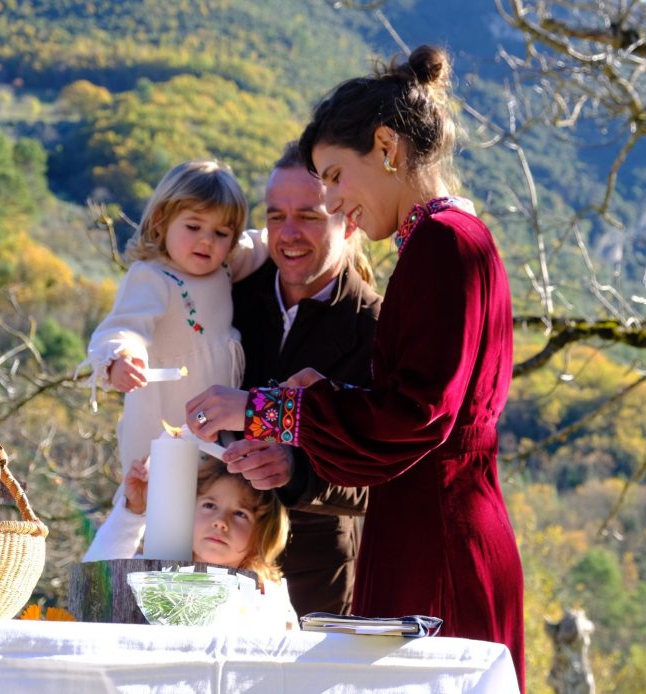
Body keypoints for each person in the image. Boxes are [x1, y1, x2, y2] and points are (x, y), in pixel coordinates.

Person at [184, 45, 525, 690]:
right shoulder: (454, 239)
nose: (336, 201)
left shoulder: (442, 245)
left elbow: (416, 416)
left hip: (436, 536)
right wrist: (332, 394)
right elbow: (425, 401)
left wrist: (265, 407)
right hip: (434, 523)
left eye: (336, 177)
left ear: (387, 147)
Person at [229, 141, 382, 616]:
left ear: (349, 221)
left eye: (309, 216)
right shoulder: (231, 298)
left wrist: (298, 471)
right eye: (276, 216)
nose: (288, 233)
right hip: (212, 560)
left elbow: (386, 477)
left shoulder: (378, 328)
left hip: (315, 579)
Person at [78, 160, 267, 490]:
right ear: (161, 222)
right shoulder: (153, 277)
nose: (207, 241)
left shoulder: (225, 265)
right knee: (156, 500)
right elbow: (123, 327)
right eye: (193, 227)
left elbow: (265, 243)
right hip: (163, 420)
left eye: (221, 233)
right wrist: (122, 358)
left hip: (213, 426)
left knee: (207, 502)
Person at [83, 455, 297, 629]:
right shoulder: (150, 575)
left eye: (241, 514)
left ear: (263, 532)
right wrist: (133, 510)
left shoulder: (269, 599)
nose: (220, 522)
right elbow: (93, 588)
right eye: (209, 505)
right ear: (187, 509)